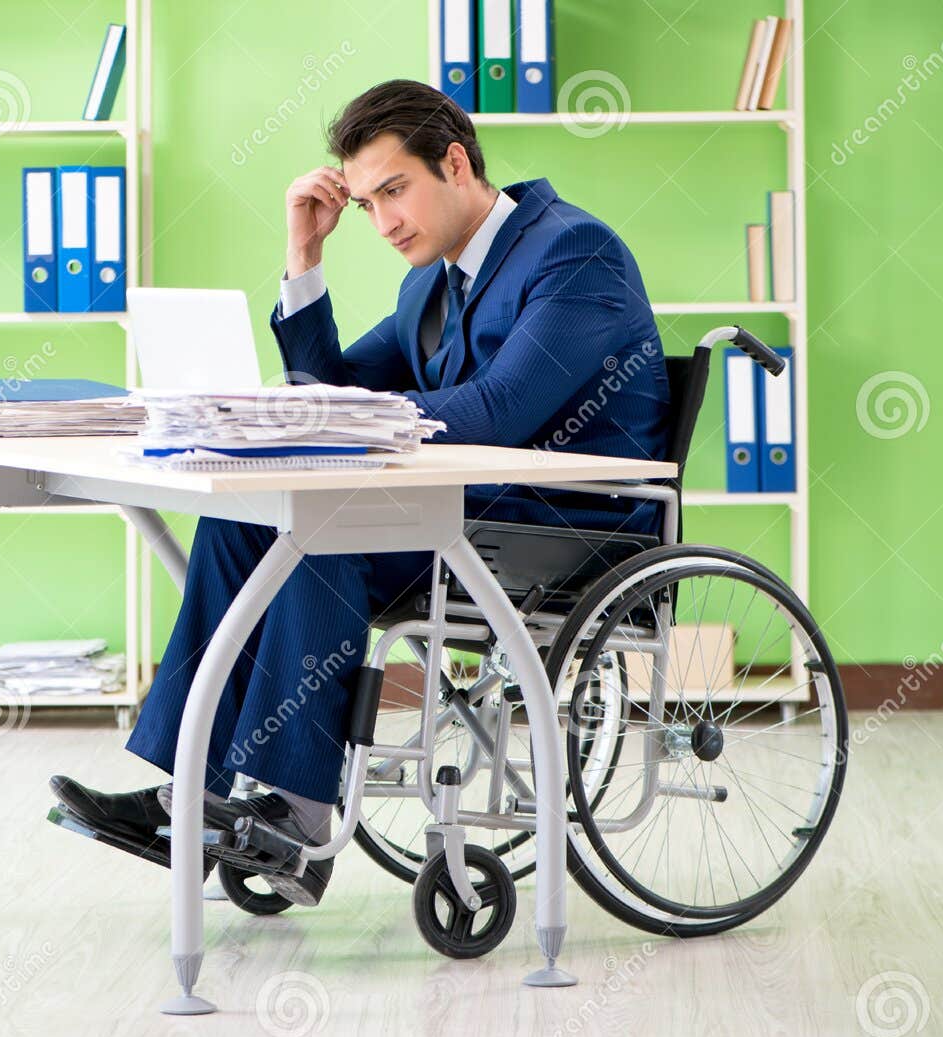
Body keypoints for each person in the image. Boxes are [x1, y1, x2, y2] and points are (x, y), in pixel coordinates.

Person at [50, 79, 669, 907]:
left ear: (455, 162)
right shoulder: (430, 283)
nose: (382, 224)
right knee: (242, 522)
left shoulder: (573, 252)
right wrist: (303, 259)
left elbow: (501, 411)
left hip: (564, 530)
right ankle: (187, 797)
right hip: (465, 517)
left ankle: (298, 820)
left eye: (394, 192)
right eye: (367, 202)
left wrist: (339, 417)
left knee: (318, 528)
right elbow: (330, 389)